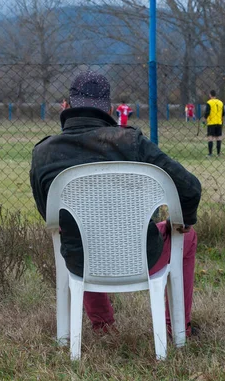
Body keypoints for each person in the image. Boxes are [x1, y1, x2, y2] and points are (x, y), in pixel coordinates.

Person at [30, 71, 201, 337]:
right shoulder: (132, 142)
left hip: (80, 263)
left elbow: (49, 216)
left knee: (74, 232)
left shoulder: (43, 153)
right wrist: (183, 223)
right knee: (187, 237)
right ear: (109, 109)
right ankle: (177, 329)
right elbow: (190, 188)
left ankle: (103, 326)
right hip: (143, 257)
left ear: (66, 106)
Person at [203, 90, 224, 157]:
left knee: (210, 137)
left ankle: (210, 153)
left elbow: (207, 112)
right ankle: (218, 153)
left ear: (210, 95)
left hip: (211, 123)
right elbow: (223, 113)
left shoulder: (209, 102)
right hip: (219, 122)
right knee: (218, 138)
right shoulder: (220, 102)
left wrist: (204, 120)